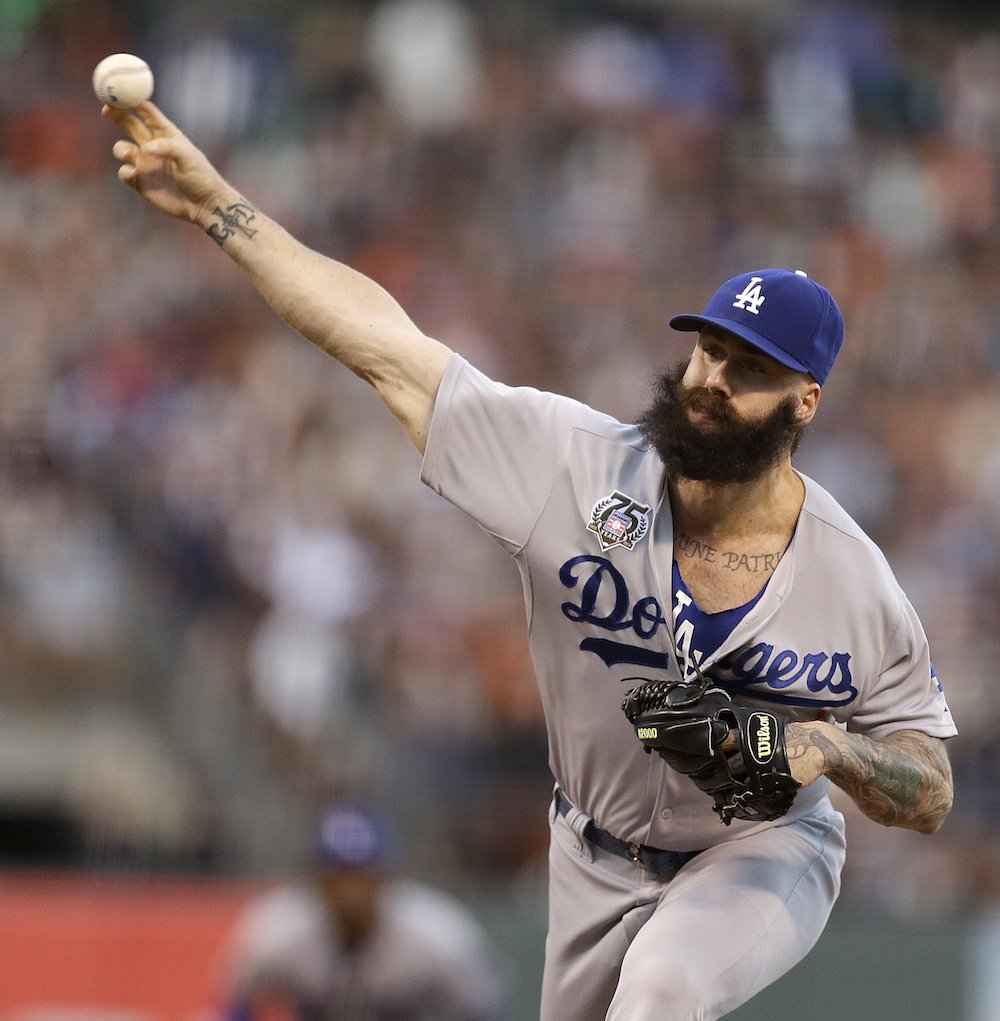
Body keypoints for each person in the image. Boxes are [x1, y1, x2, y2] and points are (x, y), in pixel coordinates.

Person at [103, 101, 956, 1021]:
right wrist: (217, 206)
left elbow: (930, 788)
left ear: (806, 400)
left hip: (759, 850)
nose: (712, 378)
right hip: (591, 849)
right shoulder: (572, 467)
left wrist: (828, 746)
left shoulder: (852, 577)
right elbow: (384, 349)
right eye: (710, 348)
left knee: (660, 993)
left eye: (750, 368)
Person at [217, 800, 505, 1021]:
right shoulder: (277, 928)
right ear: (316, 880)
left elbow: (482, 1008)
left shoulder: (437, 933)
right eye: (338, 877)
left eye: (361, 877)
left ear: (384, 878)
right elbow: (235, 1005)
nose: (350, 893)